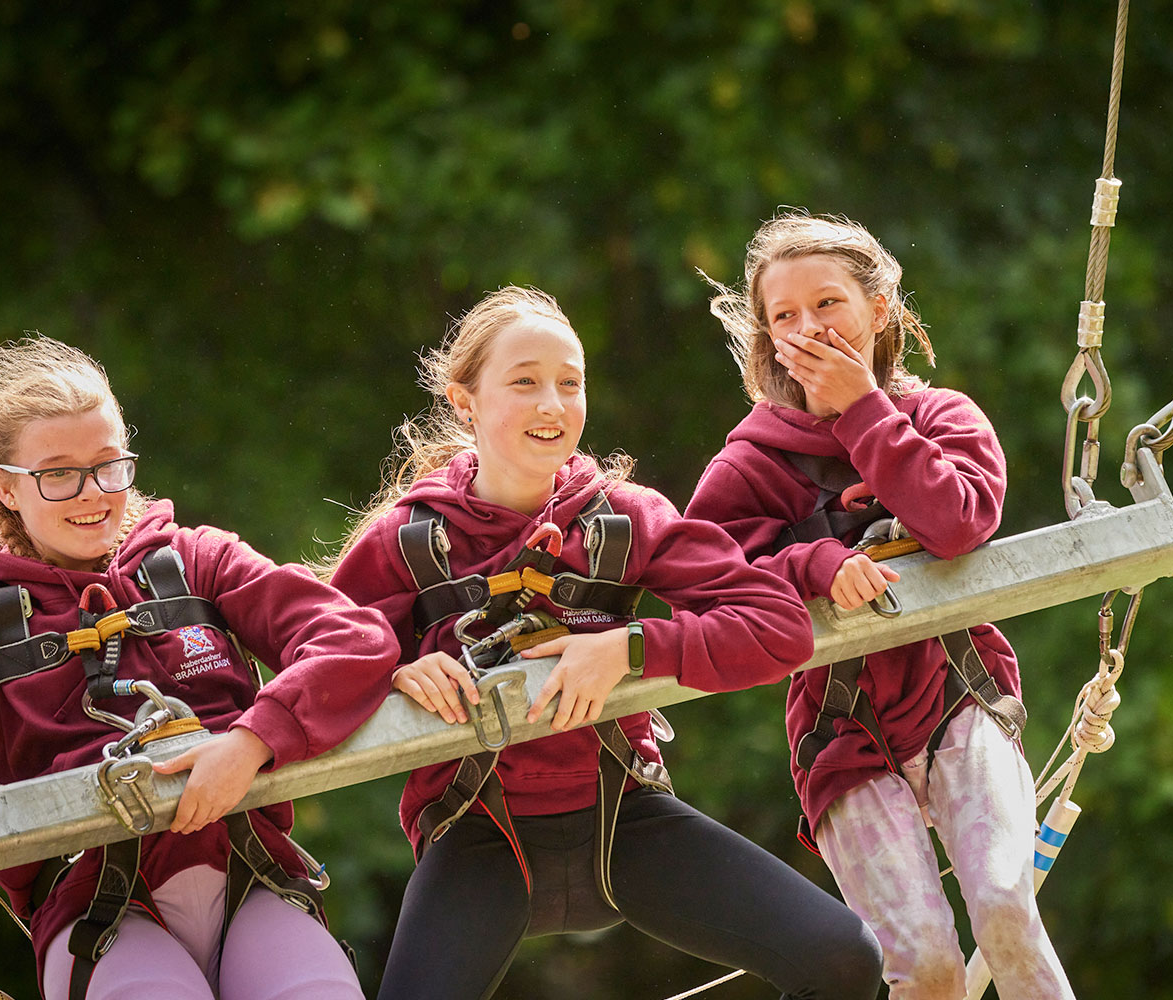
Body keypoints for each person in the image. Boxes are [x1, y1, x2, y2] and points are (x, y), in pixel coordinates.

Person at [325, 286, 882, 1000]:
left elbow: (775, 625)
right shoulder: (408, 540)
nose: (552, 405)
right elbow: (313, 659)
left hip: (627, 813)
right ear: (464, 401)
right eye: (524, 383)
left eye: (570, 382)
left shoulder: (624, 517)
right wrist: (394, 668)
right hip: (478, 829)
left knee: (845, 960)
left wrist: (631, 648)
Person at [0, 337, 400, 1000]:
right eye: (57, 474)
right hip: (95, 904)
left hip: (248, 869)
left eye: (107, 465)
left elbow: (354, 640)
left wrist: (250, 741)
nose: (92, 493)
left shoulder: (194, 563)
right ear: (6, 486)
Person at [685, 211, 1076, 999]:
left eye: (828, 304)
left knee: (1004, 905)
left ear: (878, 313)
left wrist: (865, 410)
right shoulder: (751, 463)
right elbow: (705, 574)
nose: (810, 329)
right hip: (841, 730)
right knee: (927, 965)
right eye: (786, 316)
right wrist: (816, 562)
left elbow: (961, 520)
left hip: (955, 691)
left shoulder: (940, 418)